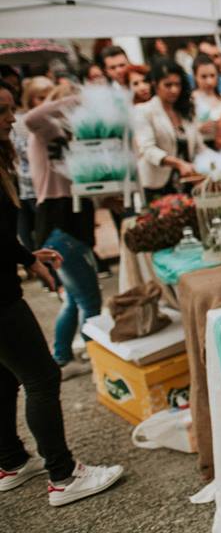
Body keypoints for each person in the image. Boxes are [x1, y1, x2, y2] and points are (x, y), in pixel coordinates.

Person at [0, 94, 124, 505]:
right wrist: (81, 97)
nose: (12, 118)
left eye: (10, 108)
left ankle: (11, 462)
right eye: (2, 110)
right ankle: (63, 476)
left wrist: (25, 255)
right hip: (1, 298)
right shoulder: (41, 132)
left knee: (5, 378)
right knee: (42, 378)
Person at [22, 84, 102, 375]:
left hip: (70, 224)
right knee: (89, 299)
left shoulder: (69, 134)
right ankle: (98, 360)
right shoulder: (45, 129)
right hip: (60, 224)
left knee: (73, 299)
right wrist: (78, 99)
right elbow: (30, 118)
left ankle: (62, 357)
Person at [134, 59, 204, 201]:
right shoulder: (143, 111)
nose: (174, 90)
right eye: (168, 85)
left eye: (177, 84)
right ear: (155, 85)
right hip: (158, 185)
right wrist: (178, 164)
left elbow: (199, 147)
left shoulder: (186, 111)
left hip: (188, 184)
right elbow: (147, 149)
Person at [13, 77, 54, 253]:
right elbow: (23, 152)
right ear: (30, 99)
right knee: (39, 236)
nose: (45, 102)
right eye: (40, 98)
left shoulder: (53, 120)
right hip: (31, 187)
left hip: (52, 187)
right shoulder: (21, 122)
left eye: (49, 97)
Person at [192, 54, 221, 138]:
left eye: (212, 75)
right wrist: (198, 128)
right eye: (203, 77)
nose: (209, 81)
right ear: (195, 76)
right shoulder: (191, 99)